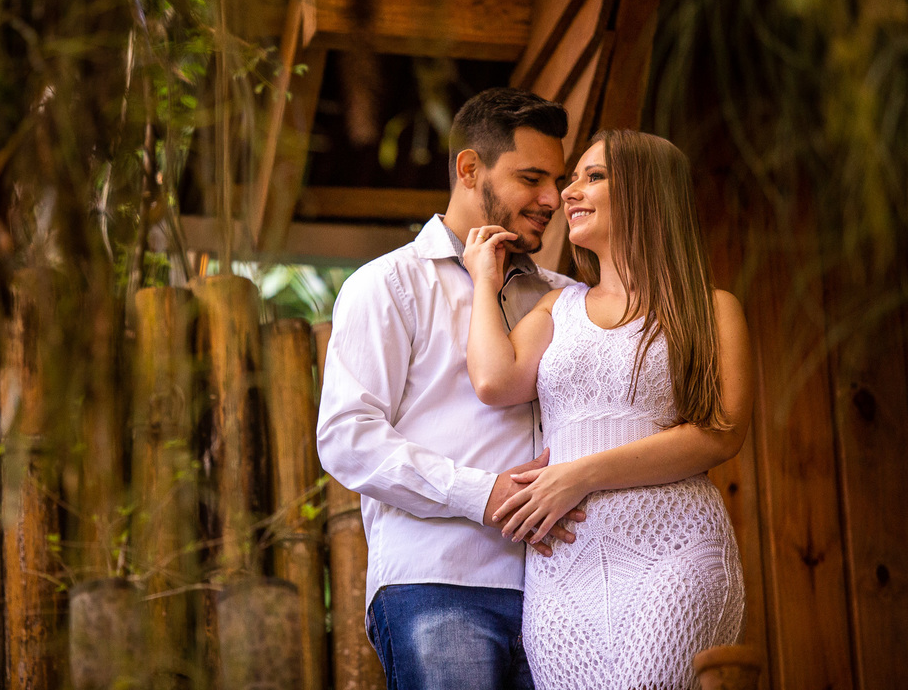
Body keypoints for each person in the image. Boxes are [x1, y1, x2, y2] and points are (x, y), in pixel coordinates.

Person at [463, 129, 752, 690]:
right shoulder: (558, 306)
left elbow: (720, 435)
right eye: (574, 178)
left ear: (648, 191)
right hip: (563, 566)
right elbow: (494, 380)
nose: (568, 192)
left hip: (675, 550)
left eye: (592, 176)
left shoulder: (713, 309)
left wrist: (579, 476)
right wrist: (483, 280)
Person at [316, 86, 578, 690]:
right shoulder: (385, 285)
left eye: (556, 180)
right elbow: (347, 438)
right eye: (532, 178)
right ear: (469, 169)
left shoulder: (565, 298)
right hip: (438, 585)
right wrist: (481, 494)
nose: (551, 200)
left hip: (563, 590)